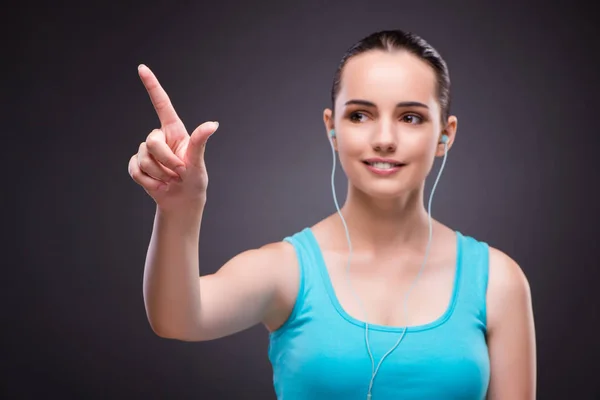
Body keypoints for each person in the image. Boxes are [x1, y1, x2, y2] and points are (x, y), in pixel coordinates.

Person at [128, 30, 536, 399]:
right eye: (360, 115)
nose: (384, 139)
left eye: (410, 117)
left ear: (445, 135)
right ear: (332, 128)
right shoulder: (286, 271)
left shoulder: (497, 281)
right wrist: (179, 210)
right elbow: (177, 318)